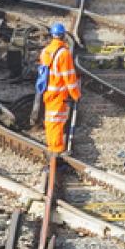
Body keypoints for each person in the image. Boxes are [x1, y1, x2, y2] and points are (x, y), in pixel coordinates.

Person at [39, 21, 80, 155]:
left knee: (50, 121)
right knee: (57, 121)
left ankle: (51, 146)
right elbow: (69, 77)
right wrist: (75, 94)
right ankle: (57, 149)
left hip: (47, 92)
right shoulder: (64, 54)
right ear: (63, 36)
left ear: (52, 36)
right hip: (58, 94)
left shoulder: (45, 51)